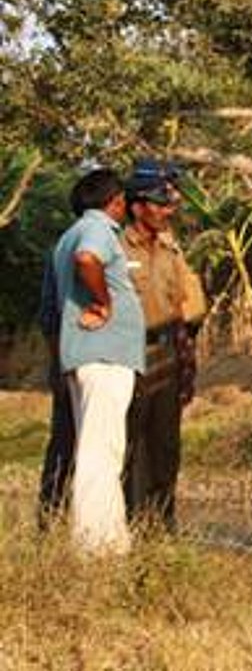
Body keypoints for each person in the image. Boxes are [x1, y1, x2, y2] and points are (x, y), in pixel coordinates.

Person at [51, 167, 145, 555]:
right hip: (104, 354)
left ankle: (111, 542)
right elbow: (87, 259)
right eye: (123, 201)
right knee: (100, 453)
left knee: (100, 449)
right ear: (115, 201)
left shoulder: (68, 234)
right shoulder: (97, 231)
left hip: (90, 354)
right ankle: (96, 548)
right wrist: (105, 302)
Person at [121, 160, 205, 531]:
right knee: (130, 447)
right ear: (138, 206)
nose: (169, 209)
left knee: (165, 446)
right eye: (161, 202)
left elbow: (191, 304)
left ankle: (162, 525)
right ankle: (130, 525)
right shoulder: (117, 248)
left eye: (170, 202)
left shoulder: (173, 250)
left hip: (167, 357)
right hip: (128, 357)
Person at [35, 180, 88, 528]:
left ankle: (52, 518)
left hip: (70, 356)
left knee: (67, 441)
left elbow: (48, 315)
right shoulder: (84, 246)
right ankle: (52, 517)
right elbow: (50, 315)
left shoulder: (64, 243)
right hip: (77, 357)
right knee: (68, 442)